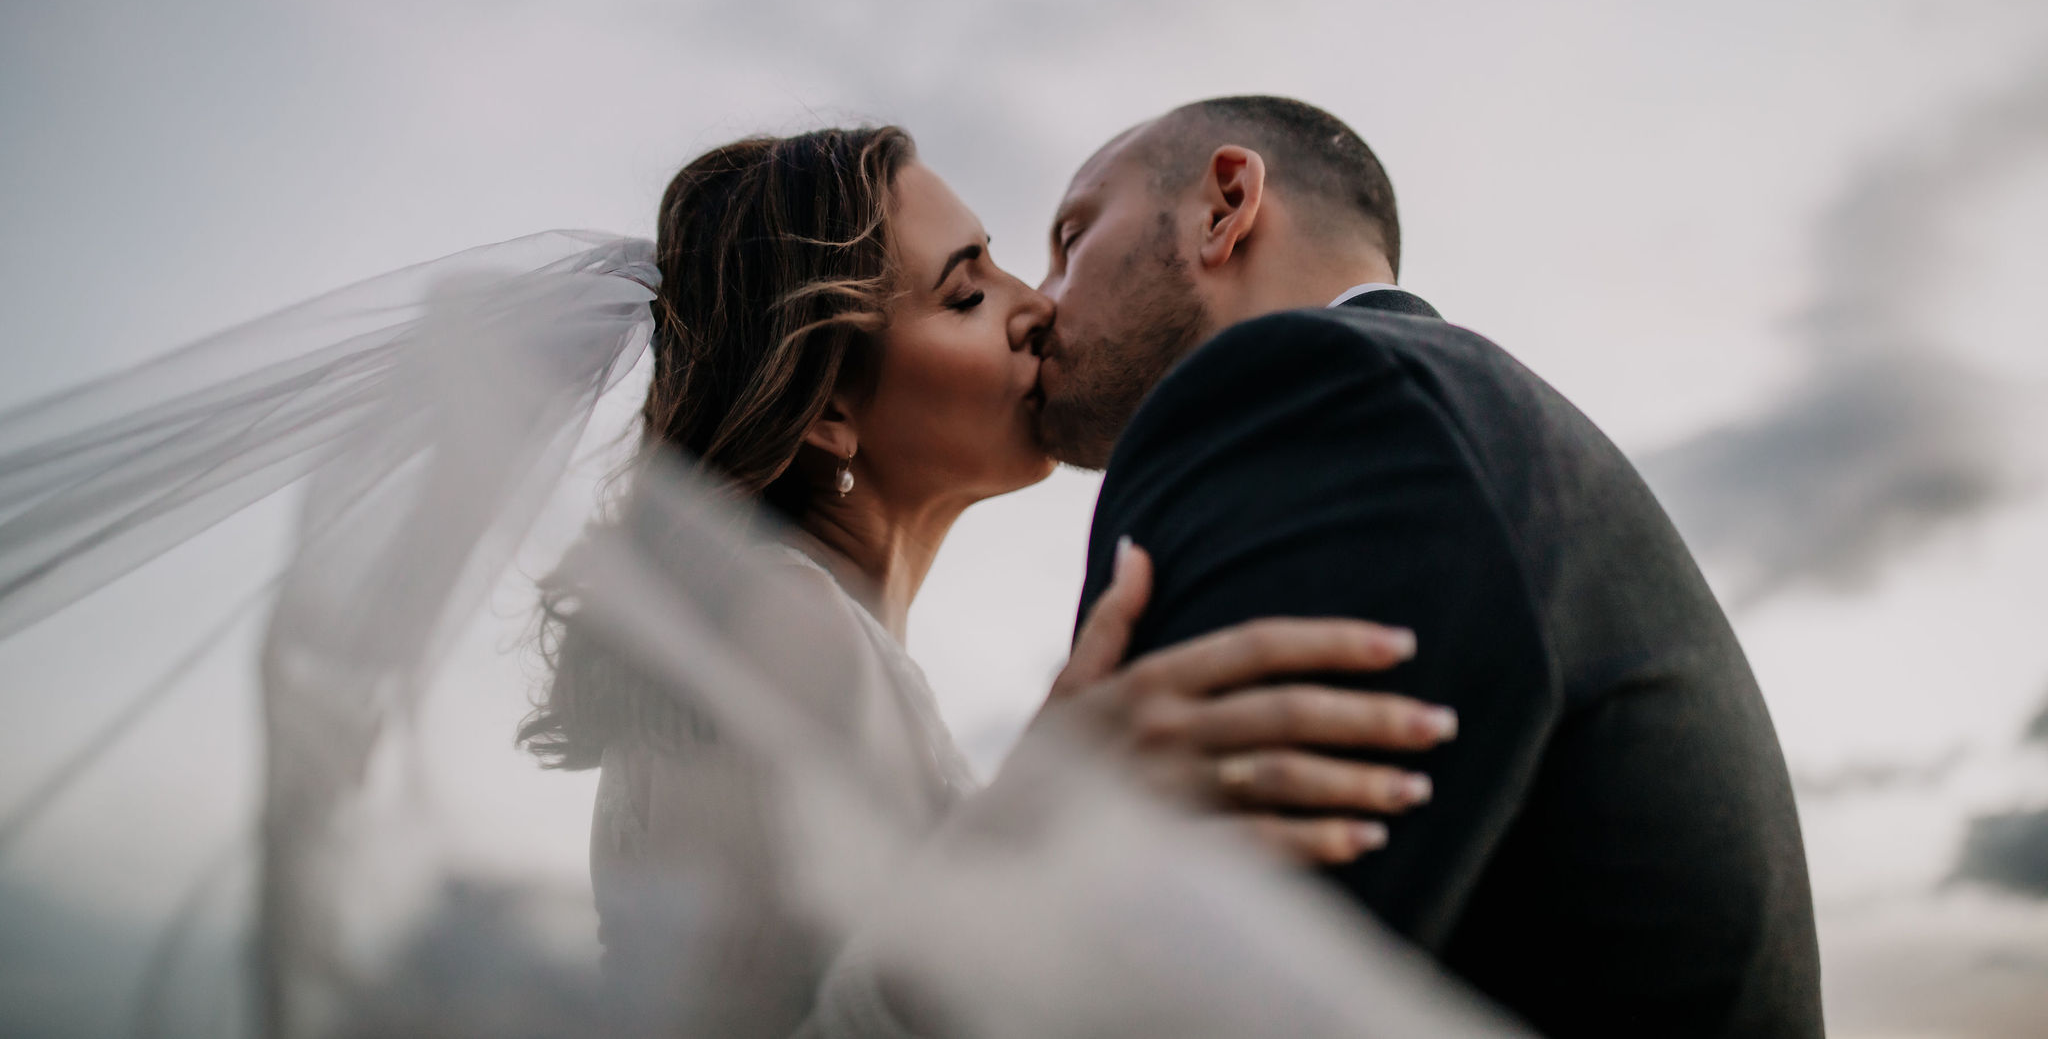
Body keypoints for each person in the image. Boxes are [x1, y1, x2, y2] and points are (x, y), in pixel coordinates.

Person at [511, 125, 1461, 1031]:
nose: (1036, 307)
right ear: (829, 412)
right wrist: (1052, 807)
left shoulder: (797, 624)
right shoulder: (786, 620)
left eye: (1002, 262)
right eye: (965, 295)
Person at [1035, 95, 1825, 1039]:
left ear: (1226, 204)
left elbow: (1164, 999)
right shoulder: (1465, 413)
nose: (1039, 298)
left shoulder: (1312, 393)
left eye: (1072, 238)